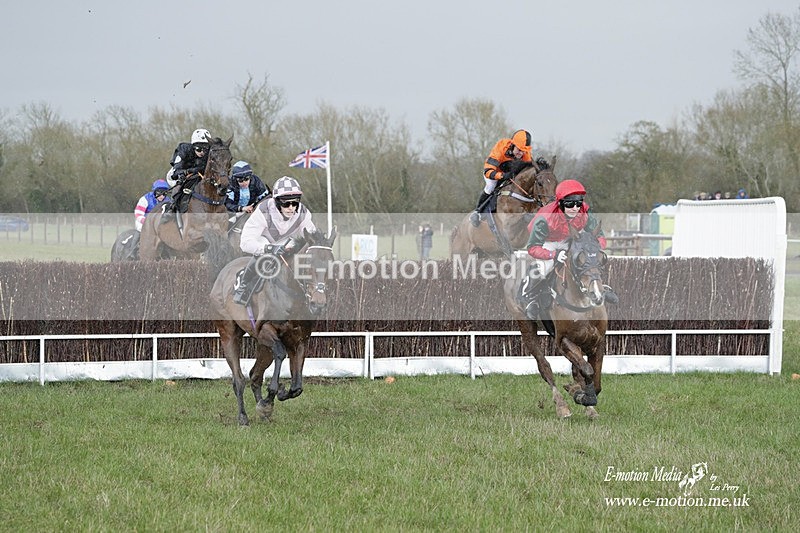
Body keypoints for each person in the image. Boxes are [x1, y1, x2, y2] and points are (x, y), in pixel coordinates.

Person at [518, 179, 618, 320]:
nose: (575, 208)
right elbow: (532, 248)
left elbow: (600, 236)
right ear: (560, 203)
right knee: (544, 268)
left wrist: (594, 249)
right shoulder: (545, 220)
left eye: (578, 203)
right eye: (570, 204)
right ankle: (530, 298)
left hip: (568, 239)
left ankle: (600, 288)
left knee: (587, 260)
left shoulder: (584, 212)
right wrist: (553, 254)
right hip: (547, 242)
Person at [233, 176, 317, 305]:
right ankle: (243, 285)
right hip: (263, 242)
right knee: (265, 251)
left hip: (287, 243)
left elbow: (311, 237)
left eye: (295, 203)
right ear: (277, 202)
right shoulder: (263, 211)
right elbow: (245, 243)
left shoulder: (303, 213)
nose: (291, 207)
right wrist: (268, 248)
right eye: (286, 203)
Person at [470, 129, 548, 227]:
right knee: (491, 186)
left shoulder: (525, 154)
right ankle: (477, 212)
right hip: (493, 172)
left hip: (510, 173)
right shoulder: (501, 147)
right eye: (519, 150)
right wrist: (502, 176)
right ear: (512, 145)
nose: (521, 153)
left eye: (523, 151)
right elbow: (488, 171)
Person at [164, 128, 212, 219]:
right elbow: (175, 172)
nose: (202, 152)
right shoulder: (184, 149)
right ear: (193, 147)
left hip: (197, 176)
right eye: (198, 149)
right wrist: (187, 172)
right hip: (177, 175)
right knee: (179, 186)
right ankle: (172, 207)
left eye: (205, 149)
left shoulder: (209, 154)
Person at [127, 179, 171, 255]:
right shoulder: (145, 199)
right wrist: (147, 222)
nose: (162, 196)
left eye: (164, 194)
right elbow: (138, 213)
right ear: (154, 191)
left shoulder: (168, 201)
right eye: (159, 193)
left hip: (159, 223)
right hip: (144, 221)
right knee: (141, 230)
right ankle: (132, 251)